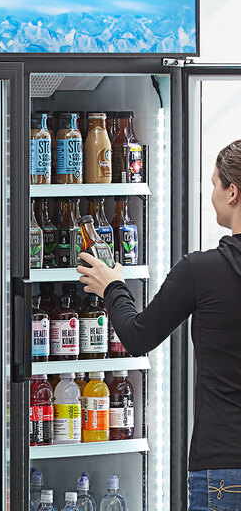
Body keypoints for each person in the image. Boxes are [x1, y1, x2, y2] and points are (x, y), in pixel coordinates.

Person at [77, 139, 241, 511]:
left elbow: (137, 336)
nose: (212, 193)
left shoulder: (202, 270)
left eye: (215, 183)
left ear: (233, 193)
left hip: (223, 468)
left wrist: (112, 287)